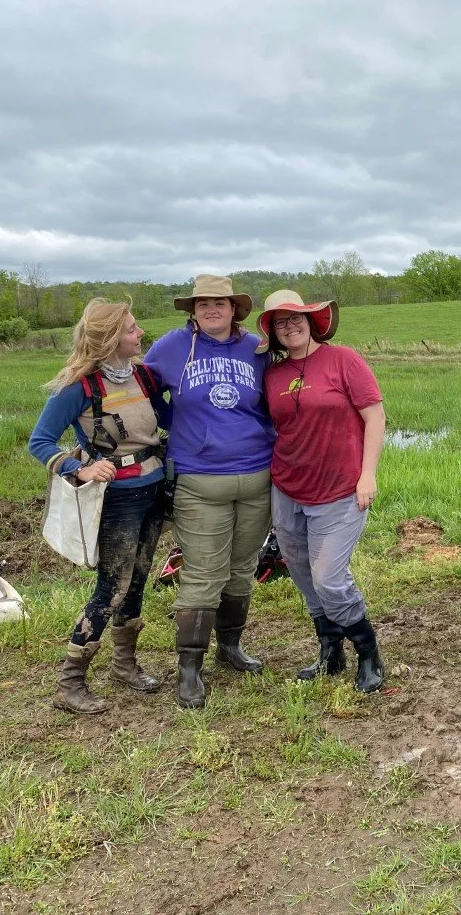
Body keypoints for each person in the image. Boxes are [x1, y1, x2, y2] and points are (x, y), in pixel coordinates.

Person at [29, 299, 170, 715]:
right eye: (131, 329)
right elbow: (39, 441)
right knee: (112, 588)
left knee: (139, 579)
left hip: (154, 489)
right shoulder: (79, 387)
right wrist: (80, 469)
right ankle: (69, 684)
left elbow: (172, 419)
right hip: (118, 500)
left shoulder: (144, 377)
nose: (140, 333)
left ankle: (125, 666)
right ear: (109, 339)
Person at [144, 274, 275, 709]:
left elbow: (274, 400)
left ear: (234, 308)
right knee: (204, 573)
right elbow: (141, 391)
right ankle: (189, 668)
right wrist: (173, 414)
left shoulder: (256, 348)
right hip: (200, 482)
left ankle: (230, 647)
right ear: (192, 310)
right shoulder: (169, 348)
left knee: (242, 567)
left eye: (219, 303)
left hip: (257, 478)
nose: (211, 310)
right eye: (202, 304)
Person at [259, 289, 388, 692]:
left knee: (329, 578)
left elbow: (375, 416)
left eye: (295, 318)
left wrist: (367, 475)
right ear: (273, 332)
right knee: (299, 570)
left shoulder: (343, 360)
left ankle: (368, 651)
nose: (290, 326)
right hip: (288, 487)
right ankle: (329, 649)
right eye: (280, 322)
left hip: (339, 489)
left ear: (311, 321)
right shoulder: (274, 375)